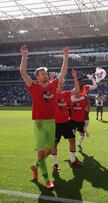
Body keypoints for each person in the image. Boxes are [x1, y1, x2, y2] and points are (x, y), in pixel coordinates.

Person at [20, 45, 68, 190]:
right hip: (40, 123)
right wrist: (24, 55)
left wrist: (65, 56)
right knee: (41, 154)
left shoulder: (53, 85)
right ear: (37, 77)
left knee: (49, 150)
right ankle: (47, 180)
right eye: (40, 74)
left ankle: (35, 167)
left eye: (45, 73)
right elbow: (23, 72)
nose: (44, 75)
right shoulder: (33, 87)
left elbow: (63, 72)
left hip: (51, 122)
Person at [50, 69, 83, 171]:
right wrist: (52, 80)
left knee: (72, 140)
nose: (61, 85)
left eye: (62, 84)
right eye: (59, 83)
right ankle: (55, 164)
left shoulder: (65, 94)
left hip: (66, 122)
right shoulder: (52, 94)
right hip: (55, 124)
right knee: (54, 144)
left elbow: (77, 90)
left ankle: (73, 161)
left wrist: (75, 78)